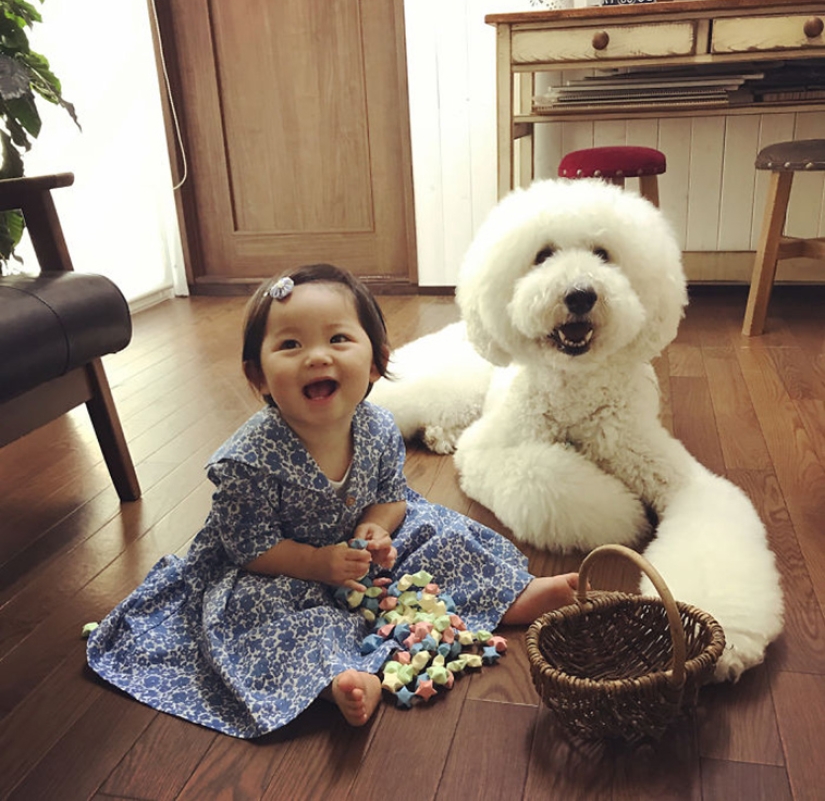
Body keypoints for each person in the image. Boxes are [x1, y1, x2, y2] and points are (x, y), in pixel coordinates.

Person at [86, 263, 579, 737]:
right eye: (290, 344)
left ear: (377, 362)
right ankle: (335, 681)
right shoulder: (248, 462)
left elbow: (391, 497)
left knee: (440, 534)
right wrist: (318, 564)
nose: (317, 356)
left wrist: (377, 526)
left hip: (360, 554)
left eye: (338, 338)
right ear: (258, 377)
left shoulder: (380, 427)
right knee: (268, 622)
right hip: (275, 566)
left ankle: (512, 595)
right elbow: (249, 550)